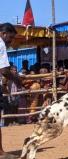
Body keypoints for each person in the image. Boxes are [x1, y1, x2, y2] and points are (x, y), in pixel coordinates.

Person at [0, 23, 22, 158]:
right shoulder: (0, 44)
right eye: (10, 38)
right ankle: (0, 153)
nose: (10, 41)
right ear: (3, 34)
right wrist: (17, 79)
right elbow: (3, 70)